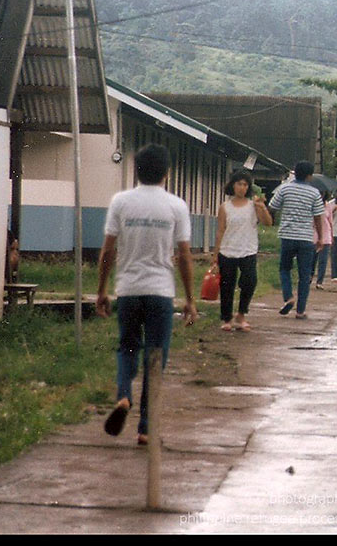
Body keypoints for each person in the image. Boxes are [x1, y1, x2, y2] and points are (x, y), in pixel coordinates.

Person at [96, 143, 197, 446]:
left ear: (136, 169)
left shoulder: (121, 202)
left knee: (127, 347)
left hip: (128, 290)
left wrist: (101, 290)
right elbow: (184, 255)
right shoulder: (176, 206)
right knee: (156, 356)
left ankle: (124, 395)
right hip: (160, 292)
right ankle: (145, 427)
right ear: (167, 172)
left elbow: (108, 250)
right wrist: (190, 299)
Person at [212, 170, 272, 332]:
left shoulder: (253, 205)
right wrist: (215, 254)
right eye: (239, 184)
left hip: (248, 249)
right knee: (227, 285)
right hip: (227, 250)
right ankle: (226, 318)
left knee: (250, 281)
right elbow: (221, 230)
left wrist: (262, 208)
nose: (242, 188)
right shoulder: (225, 207)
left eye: (245, 185)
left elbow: (267, 223)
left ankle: (241, 314)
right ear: (233, 185)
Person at [268, 160, 325, 320]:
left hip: (287, 235)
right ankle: (300, 311)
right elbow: (318, 217)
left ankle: (288, 297)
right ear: (309, 176)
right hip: (306, 237)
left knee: (285, 269)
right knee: (304, 274)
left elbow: (273, 207)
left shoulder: (284, 189)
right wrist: (320, 237)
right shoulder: (314, 193)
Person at [312, 191, 333, 289]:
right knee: (312, 260)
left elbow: (330, 221)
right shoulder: (311, 204)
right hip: (313, 235)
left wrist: (332, 236)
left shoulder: (328, 206)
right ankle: (308, 278)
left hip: (326, 236)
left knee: (323, 260)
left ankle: (319, 282)